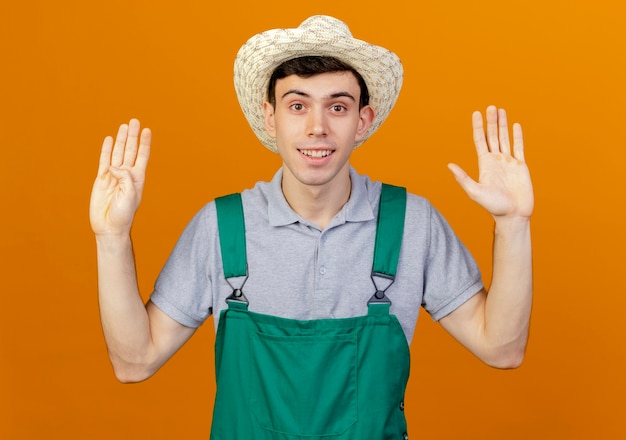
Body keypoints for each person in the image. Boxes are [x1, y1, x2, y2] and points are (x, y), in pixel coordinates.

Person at [90, 15, 533, 439]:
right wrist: (111, 239)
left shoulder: (412, 222)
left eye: (337, 107)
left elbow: (502, 349)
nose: (316, 127)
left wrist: (513, 223)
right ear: (271, 118)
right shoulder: (223, 226)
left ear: (363, 120)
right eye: (297, 105)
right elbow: (135, 362)